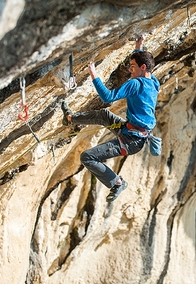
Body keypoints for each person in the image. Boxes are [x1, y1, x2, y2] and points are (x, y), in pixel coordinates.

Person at [60, 36, 160, 202]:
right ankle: (70, 118)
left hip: (129, 141)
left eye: (133, 67)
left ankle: (117, 183)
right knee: (103, 116)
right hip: (129, 131)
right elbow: (144, 64)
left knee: (87, 157)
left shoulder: (135, 84)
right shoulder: (153, 82)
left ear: (142, 68)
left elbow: (108, 97)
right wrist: (138, 47)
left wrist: (94, 74)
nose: (130, 70)